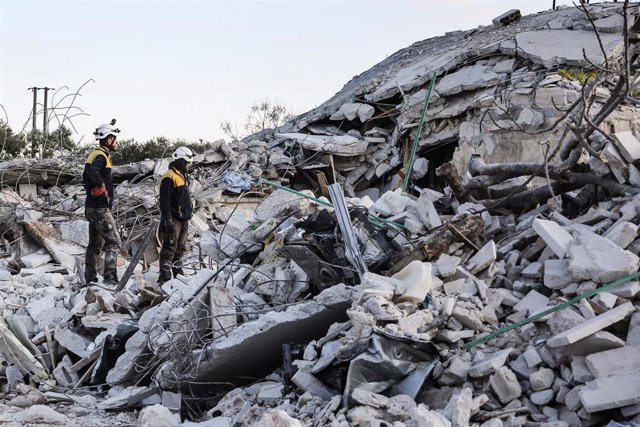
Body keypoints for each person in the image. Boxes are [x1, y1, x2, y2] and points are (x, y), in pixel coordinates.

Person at [83, 119, 121, 286]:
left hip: (91, 206)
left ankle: (90, 278)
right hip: (99, 208)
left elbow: (86, 176)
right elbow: (92, 173)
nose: (117, 142)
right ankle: (110, 278)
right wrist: (102, 188)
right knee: (113, 241)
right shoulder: (100, 156)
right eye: (115, 139)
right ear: (108, 139)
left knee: (95, 244)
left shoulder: (94, 154)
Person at [158, 146, 194, 284]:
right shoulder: (169, 177)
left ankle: (178, 276)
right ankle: (165, 279)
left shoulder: (181, 175)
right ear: (180, 161)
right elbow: (164, 201)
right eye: (187, 162)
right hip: (173, 220)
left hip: (183, 219)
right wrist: (167, 220)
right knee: (169, 249)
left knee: (180, 249)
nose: (189, 165)